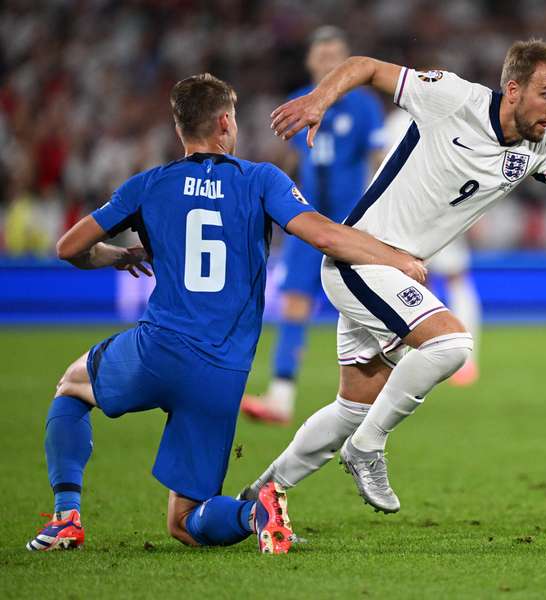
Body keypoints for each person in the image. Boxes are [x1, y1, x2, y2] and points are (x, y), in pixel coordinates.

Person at [242, 39, 546, 514]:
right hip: (361, 260)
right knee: (451, 344)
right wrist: (320, 100)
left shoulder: (543, 147)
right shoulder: (453, 97)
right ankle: (367, 448)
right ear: (514, 89)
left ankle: (258, 497)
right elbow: (363, 66)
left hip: (394, 275)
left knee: (351, 407)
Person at [26, 73, 425, 553]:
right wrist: (393, 256)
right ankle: (256, 510)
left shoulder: (149, 185)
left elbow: (70, 246)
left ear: (179, 129)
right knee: (185, 520)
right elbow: (322, 235)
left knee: (71, 388)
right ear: (225, 122)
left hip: (157, 350)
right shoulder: (260, 180)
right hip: (222, 370)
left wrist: (121, 255)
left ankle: (66, 518)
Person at [242, 26, 386, 424]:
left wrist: (382, 216)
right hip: (307, 223)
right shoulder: (298, 102)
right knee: (294, 302)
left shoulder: (363, 104)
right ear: (310, 61)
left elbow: (378, 162)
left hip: (350, 223)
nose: (327, 61)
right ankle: (281, 398)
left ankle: (381, 396)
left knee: (364, 309)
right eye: (321, 55)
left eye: (334, 55)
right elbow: (289, 160)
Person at [383, 107, 482, 386]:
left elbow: (381, 162)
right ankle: (461, 359)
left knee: (414, 283)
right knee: (452, 280)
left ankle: (426, 355)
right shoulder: (450, 115)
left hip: (410, 214)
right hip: (444, 207)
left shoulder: (397, 121)